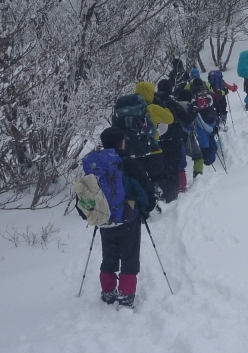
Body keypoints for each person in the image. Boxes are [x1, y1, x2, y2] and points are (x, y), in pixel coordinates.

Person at [80, 126, 156, 309]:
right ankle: (126, 294)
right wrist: (146, 208)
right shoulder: (129, 163)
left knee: (109, 256)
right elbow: (145, 190)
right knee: (129, 257)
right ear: (122, 143)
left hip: (104, 219)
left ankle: (107, 291)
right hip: (128, 217)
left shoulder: (95, 165)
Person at [155, 79, 196, 202]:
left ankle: (164, 192)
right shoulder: (171, 103)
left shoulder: (153, 103)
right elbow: (187, 119)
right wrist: (195, 110)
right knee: (174, 166)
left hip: (158, 140)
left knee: (163, 167)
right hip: (174, 140)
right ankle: (173, 195)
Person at [133, 81, 174, 200]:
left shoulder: (127, 109)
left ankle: (145, 205)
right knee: (157, 178)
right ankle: (162, 205)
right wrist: (162, 104)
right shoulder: (151, 108)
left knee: (140, 181)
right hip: (152, 150)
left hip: (133, 153)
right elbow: (170, 119)